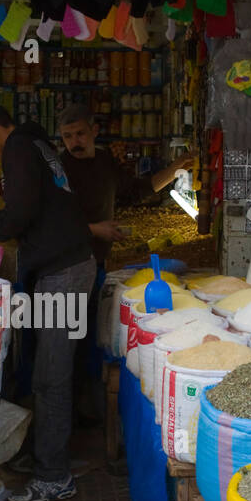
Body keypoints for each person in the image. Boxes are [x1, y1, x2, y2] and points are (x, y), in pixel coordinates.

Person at [0, 102, 95, 501]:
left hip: (63, 274)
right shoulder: (33, 144)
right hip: (63, 268)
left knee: (52, 376)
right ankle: (47, 456)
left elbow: (22, 213)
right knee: (48, 372)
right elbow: (21, 206)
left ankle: (55, 476)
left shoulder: (17, 149)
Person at [57, 103, 194, 424]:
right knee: (69, 344)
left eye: (80, 134)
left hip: (97, 262)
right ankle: (73, 416)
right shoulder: (58, 170)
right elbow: (52, 222)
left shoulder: (104, 161)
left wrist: (178, 167)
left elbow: (137, 191)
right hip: (66, 267)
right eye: (67, 136)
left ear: (94, 131)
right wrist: (96, 229)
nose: (75, 141)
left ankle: (89, 409)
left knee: (90, 336)